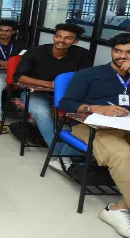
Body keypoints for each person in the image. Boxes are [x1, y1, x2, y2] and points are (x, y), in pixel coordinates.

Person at [59, 33, 130, 238]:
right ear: (112, 51)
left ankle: (119, 209)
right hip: (91, 125)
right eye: (118, 51)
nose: (122, 56)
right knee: (123, 156)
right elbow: (66, 103)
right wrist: (97, 108)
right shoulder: (88, 74)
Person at [14, 23, 91, 166]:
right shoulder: (35, 52)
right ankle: (58, 152)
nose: (61, 41)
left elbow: (84, 78)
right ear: (54, 37)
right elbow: (19, 76)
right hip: (36, 93)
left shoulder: (82, 54)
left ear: (76, 41)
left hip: (67, 96)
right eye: (58, 36)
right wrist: (49, 84)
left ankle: (76, 151)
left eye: (68, 38)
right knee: (42, 112)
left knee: (86, 114)